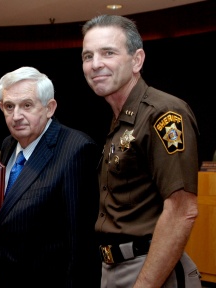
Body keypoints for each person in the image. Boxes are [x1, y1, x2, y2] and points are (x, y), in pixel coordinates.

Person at [81, 15, 202, 287]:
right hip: (115, 267)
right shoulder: (121, 119)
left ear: (137, 60)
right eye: (87, 56)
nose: (95, 64)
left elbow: (182, 211)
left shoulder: (164, 114)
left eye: (108, 53)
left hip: (150, 270)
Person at [0, 66, 101, 287]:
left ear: (50, 108)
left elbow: (80, 244)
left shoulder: (76, 149)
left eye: (27, 105)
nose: (17, 116)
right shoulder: (8, 145)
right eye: (9, 107)